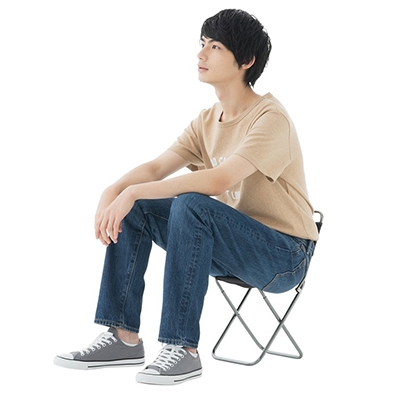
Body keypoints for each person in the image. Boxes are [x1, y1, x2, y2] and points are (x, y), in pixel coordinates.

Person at [54, 8, 319, 385]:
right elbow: (156, 169)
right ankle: (123, 337)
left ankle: (183, 348)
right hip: (231, 244)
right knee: (139, 208)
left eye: (215, 47)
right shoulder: (207, 120)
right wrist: (114, 191)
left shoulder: (270, 117)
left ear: (246, 60)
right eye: (202, 44)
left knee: (192, 203)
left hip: (283, 255)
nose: (201, 54)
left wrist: (132, 191)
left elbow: (218, 181)